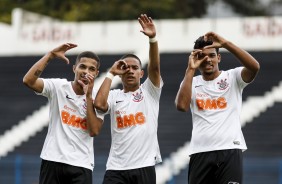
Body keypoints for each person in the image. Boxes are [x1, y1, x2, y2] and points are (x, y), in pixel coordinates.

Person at [175, 32, 260, 184]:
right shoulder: (191, 82)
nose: (208, 59)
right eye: (202, 56)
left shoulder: (233, 77)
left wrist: (226, 44)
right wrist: (190, 69)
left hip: (230, 150)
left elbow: (254, 67)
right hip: (200, 152)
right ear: (196, 58)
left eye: (212, 55)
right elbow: (181, 106)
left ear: (219, 58)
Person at [94, 14, 162, 184]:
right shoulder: (114, 96)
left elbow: (154, 67)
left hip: (144, 166)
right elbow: (99, 105)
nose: (130, 71)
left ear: (141, 73)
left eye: (135, 68)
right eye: (126, 68)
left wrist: (152, 39)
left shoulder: (150, 92)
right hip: (116, 168)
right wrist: (111, 73)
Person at [23, 43, 104, 184]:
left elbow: (94, 131)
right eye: (82, 66)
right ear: (74, 68)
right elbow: (28, 81)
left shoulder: (98, 99)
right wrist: (50, 55)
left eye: (91, 69)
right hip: (53, 160)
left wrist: (88, 96)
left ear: (96, 73)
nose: (86, 71)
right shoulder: (58, 87)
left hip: (81, 164)